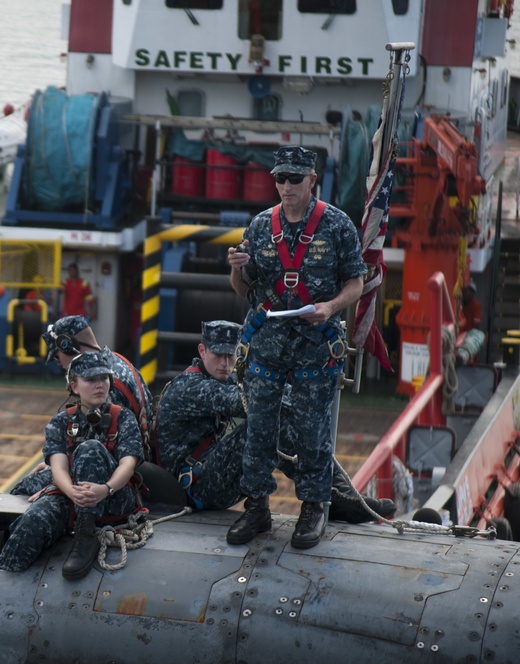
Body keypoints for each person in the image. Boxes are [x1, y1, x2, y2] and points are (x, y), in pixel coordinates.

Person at [226, 145, 366, 549]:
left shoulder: (338, 226)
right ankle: (256, 509)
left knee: (311, 433)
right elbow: (243, 290)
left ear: (312, 181)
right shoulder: (258, 226)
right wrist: (236, 270)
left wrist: (330, 308)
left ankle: (313, 508)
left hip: (314, 346)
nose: (286, 187)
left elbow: (355, 283)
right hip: (267, 346)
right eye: (280, 179)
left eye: (294, 179)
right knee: (258, 432)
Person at [154, 320, 395, 522]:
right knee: (268, 424)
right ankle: (334, 497)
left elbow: (267, 393)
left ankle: (340, 495)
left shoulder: (220, 378)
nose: (226, 363)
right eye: (219, 355)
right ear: (202, 351)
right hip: (197, 488)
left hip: (211, 478)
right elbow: (255, 401)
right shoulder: (191, 388)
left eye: (231, 355)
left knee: (288, 421)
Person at [0, 353, 144, 579]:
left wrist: (105, 489)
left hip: (113, 496)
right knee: (32, 519)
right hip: (73, 495)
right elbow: (58, 468)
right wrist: (72, 492)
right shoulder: (62, 421)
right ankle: (3, 572)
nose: (99, 385)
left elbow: (128, 464)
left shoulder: (123, 418)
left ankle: (85, 537)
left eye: (104, 378)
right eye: (91, 380)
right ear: (74, 386)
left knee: (90, 449)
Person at [41, 315, 153, 455]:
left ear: (69, 346)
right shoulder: (118, 362)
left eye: (57, 356)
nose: (58, 363)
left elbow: (105, 448)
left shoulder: (106, 384)